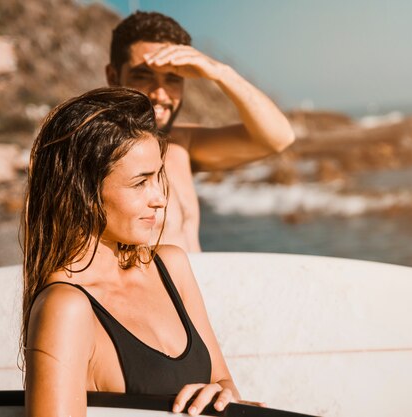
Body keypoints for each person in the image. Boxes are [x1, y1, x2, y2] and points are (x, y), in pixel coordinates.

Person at [22, 87, 241, 416]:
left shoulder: (170, 265)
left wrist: (222, 397)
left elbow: (223, 382)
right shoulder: (65, 309)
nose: (160, 199)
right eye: (141, 183)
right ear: (83, 189)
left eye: (158, 178)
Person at [106, 11, 295, 252]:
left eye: (173, 79)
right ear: (113, 76)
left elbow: (278, 138)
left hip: (195, 288)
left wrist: (219, 72)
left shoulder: (181, 143)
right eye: (143, 76)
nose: (160, 94)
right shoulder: (98, 155)